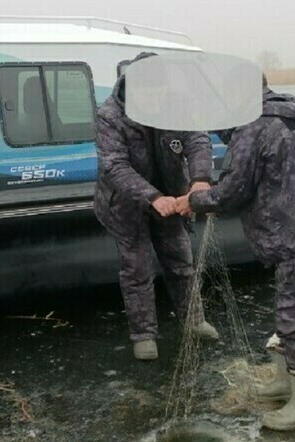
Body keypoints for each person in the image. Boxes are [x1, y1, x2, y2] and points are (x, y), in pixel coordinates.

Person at [175, 76, 295, 430]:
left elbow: (233, 190)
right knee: (290, 305)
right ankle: (285, 382)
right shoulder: (289, 115)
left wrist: (192, 200)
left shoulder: (255, 127)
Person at [94, 52, 219, 361]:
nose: (155, 97)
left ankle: (194, 320)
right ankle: (144, 334)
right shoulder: (110, 115)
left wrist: (200, 179)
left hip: (174, 197)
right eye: (148, 90)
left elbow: (198, 141)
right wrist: (152, 196)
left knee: (181, 262)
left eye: (159, 89)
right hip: (126, 203)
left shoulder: (179, 104)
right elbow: (114, 166)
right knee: (136, 268)